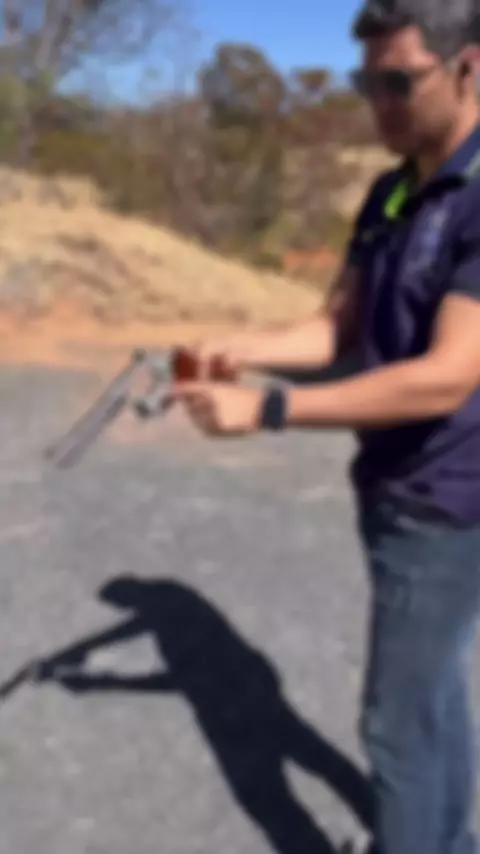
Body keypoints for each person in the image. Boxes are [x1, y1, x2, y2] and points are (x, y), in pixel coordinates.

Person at [173, 2, 480, 852]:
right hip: (390, 482)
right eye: (364, 82)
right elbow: (334, 328)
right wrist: (244, 349)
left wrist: (270, 408)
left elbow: (449, 376)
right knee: (431, 698)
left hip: (445, 500)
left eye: (398, 82)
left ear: (470, 68)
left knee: (396, 726)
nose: (378, 103)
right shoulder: (390, 193)